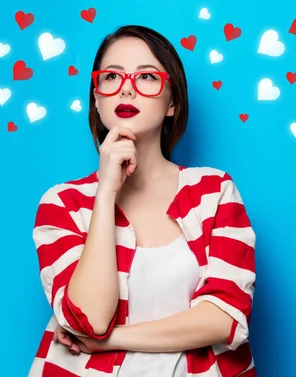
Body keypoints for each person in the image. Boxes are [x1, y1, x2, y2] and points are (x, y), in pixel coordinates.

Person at [28, 25, 257, 377]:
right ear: (96, 97)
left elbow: (225, 318)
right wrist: (105, 193)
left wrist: (113, 340)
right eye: (112, 77)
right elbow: (90, 320)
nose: (127, 90)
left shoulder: (215, 191)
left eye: (146, 77)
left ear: (172, 102)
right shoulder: (62, 204)